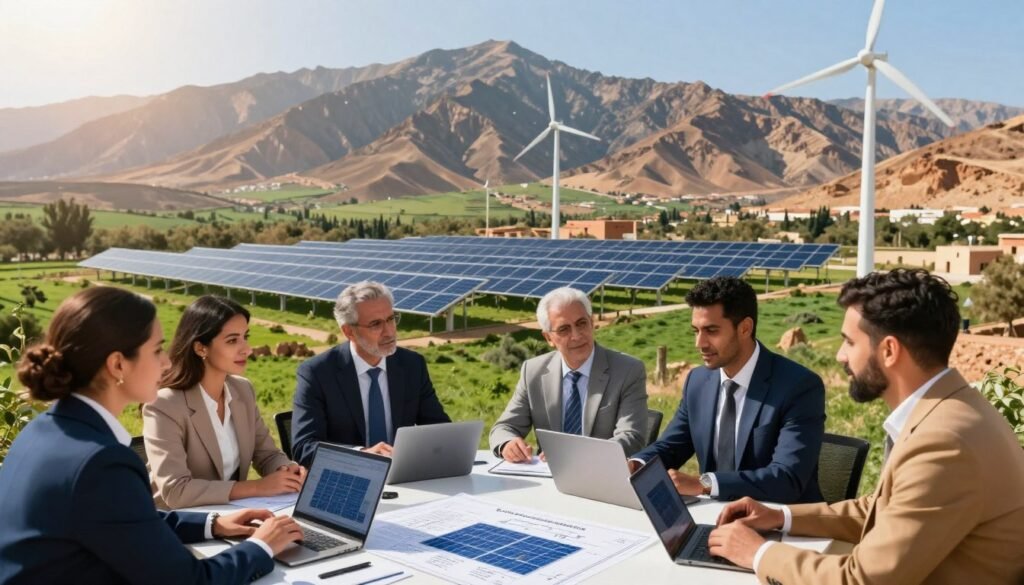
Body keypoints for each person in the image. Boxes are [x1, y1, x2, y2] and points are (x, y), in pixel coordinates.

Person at [710, 269, 1024, 584]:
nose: (840, 355)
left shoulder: (944, 442)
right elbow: (883, 509)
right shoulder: (953, 411)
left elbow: (862, 580)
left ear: (888, 350)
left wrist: (758, 553)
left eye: (849, 342)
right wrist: (780, 517)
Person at [0, 287, 302, 584]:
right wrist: (262, 545)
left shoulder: (42, 431)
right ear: (118, 364)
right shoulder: (100, 462)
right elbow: (188, 580)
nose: (167, 362)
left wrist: (214, 524)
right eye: (157, 350)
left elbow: (128, 521)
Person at [630, 277, 825, 504]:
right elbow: (671, 447)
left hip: (780, 523)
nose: (699, 343)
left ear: (745, 328)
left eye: (711, 331)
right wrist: (637, 465)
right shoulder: (697, 381)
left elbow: (787, 478)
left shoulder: (799, 387)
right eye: (696, 331)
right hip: (713, 516)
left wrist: (705, 484)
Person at [143, 295, 305, 509]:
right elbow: (176, 490)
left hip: (233, 516)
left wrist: (287, 471)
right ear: (201, 348)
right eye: (232, 340)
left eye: (245, 336)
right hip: (179, 525)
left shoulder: (242, 389)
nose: (246, 349)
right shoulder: (164, 405)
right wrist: (258, 487)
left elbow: (267, 455)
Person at [291, 281, 450, 467]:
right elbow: (304, 448)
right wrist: (363, 454)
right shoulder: (317, 373)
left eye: (391, 319)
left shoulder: (412, 365)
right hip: (349, 477)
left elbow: (440, 430)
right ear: (348, 331)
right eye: (376, 324)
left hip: (404, 477)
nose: (389, 331)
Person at [489, 286, 649, 460]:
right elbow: (503, 428)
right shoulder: (533, 371)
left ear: (592, 322)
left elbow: (632, 436)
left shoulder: (627, 370)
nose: (576, 335)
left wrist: (576, 455)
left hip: (601, 476)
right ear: (548, 338)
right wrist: (508, 444)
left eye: (581, 323)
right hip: (548, 477)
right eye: (564, 329)